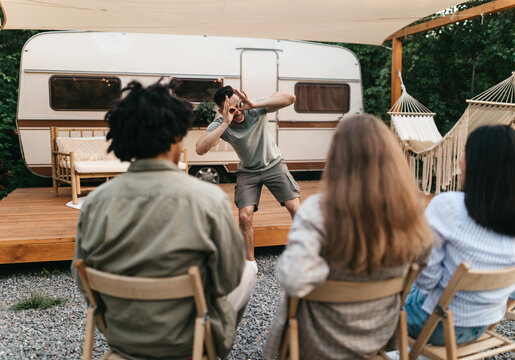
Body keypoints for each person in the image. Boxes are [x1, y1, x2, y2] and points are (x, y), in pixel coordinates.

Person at [71, 81, 256, 360]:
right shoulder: (208, 199)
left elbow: (81, 277)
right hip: (189, 343)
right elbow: (227, 278)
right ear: (177, 137)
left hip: (123, 340)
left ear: (122, 139)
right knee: (249, 271)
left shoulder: (94, 203)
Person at [264, 114, 433, 359]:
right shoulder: (409, 215)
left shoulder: (318, 211)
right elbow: (424, 267)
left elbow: (293, 278)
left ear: (336, 160)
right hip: (377, 339)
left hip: (315, 344)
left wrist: (323, 272)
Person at [405, 125, 515, 345]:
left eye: (465, 151)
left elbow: (425, 279)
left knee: (381, 294)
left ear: (479, 162)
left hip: (435, 325)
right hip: (482, 325)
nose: (460, 158)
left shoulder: (448, 207)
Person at [195, 86, 299, 261]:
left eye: (240, 105)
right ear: (222, 111)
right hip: (248, 171)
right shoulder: (222, 122)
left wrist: (253, 104)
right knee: (244, 216)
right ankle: (250, 264)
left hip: (273, 164)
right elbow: (200, 149)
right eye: (232, 109)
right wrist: (225, 123)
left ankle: (302, 253)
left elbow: (290, 97)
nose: (238, 111)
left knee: (295, 208)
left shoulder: (254, 107)